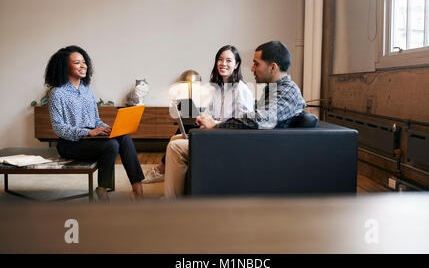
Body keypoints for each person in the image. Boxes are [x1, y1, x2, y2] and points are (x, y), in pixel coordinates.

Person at [164, 41, 306, 198]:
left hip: (246, 147)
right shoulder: (274, 90)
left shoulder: (287, 92)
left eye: (256, 64)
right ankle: (178, 191)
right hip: (249, 141)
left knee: (176, 147)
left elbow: (257, 120)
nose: (252, 68)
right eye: (220, 59)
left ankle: (172, 203)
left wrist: (216, 126)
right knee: (177, 137)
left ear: (272, 67)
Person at [45, 45, 145, 201]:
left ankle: (137, 188)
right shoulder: (57, 93)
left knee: (123, 136)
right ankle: (102, 189)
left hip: (92, 138)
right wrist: (87, 132)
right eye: (77, 62)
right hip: (70, 144)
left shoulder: (87, 90)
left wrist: (106, 128)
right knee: (111, 145)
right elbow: (58, 127)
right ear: (65, 66)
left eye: (84, 62)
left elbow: (95, 120)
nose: (83, 65)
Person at [143, 45, 254, 183]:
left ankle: (165, 182)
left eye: (229, 60)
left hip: (226, 139)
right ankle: (165, 175)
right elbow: (210, 112)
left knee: (174, 146)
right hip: (214, 134)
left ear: (236, 65)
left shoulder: (241, 90)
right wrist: (202, 119)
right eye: (220, 59)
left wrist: (213, 124)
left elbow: (242, 125)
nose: (223, 63)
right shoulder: (218, 89)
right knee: (174, 138)